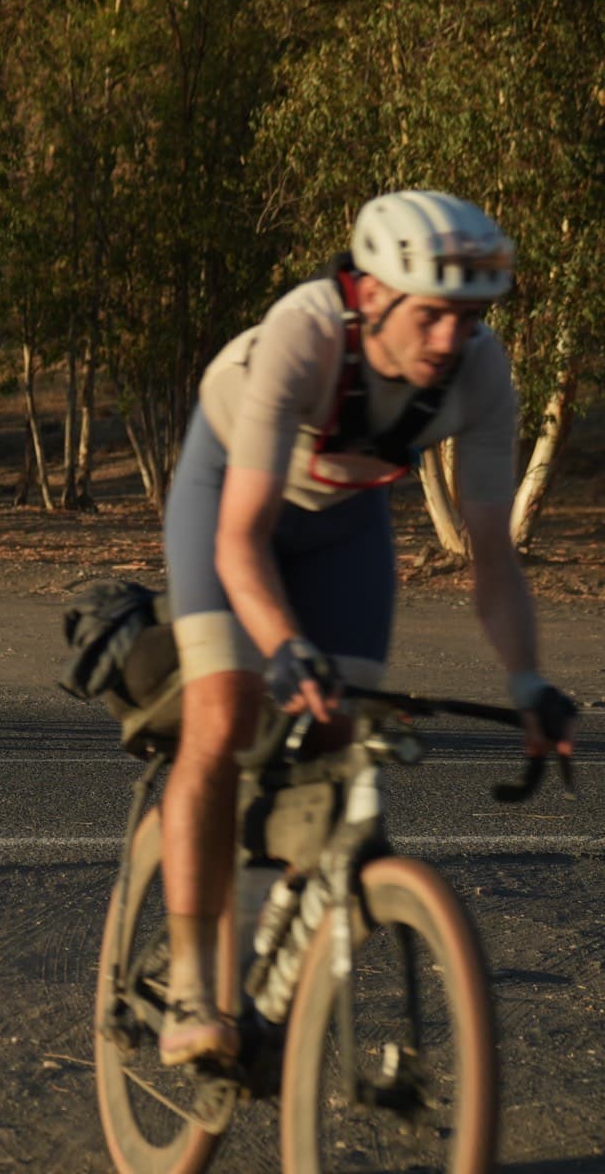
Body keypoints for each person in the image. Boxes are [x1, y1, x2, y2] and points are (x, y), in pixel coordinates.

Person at [158, 190, 577, 1067]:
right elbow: (240, 541)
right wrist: (280, 645)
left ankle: (279, 959)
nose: (449, 341)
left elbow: (493, 555)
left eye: (468, 321)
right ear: (373, 294)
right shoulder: (304, 334)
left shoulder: (481, 370)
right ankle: (193, 986)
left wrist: (528, 682)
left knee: (341, 734)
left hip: (346, 519)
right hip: (230, 501)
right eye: (431, 316)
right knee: (226, 712)